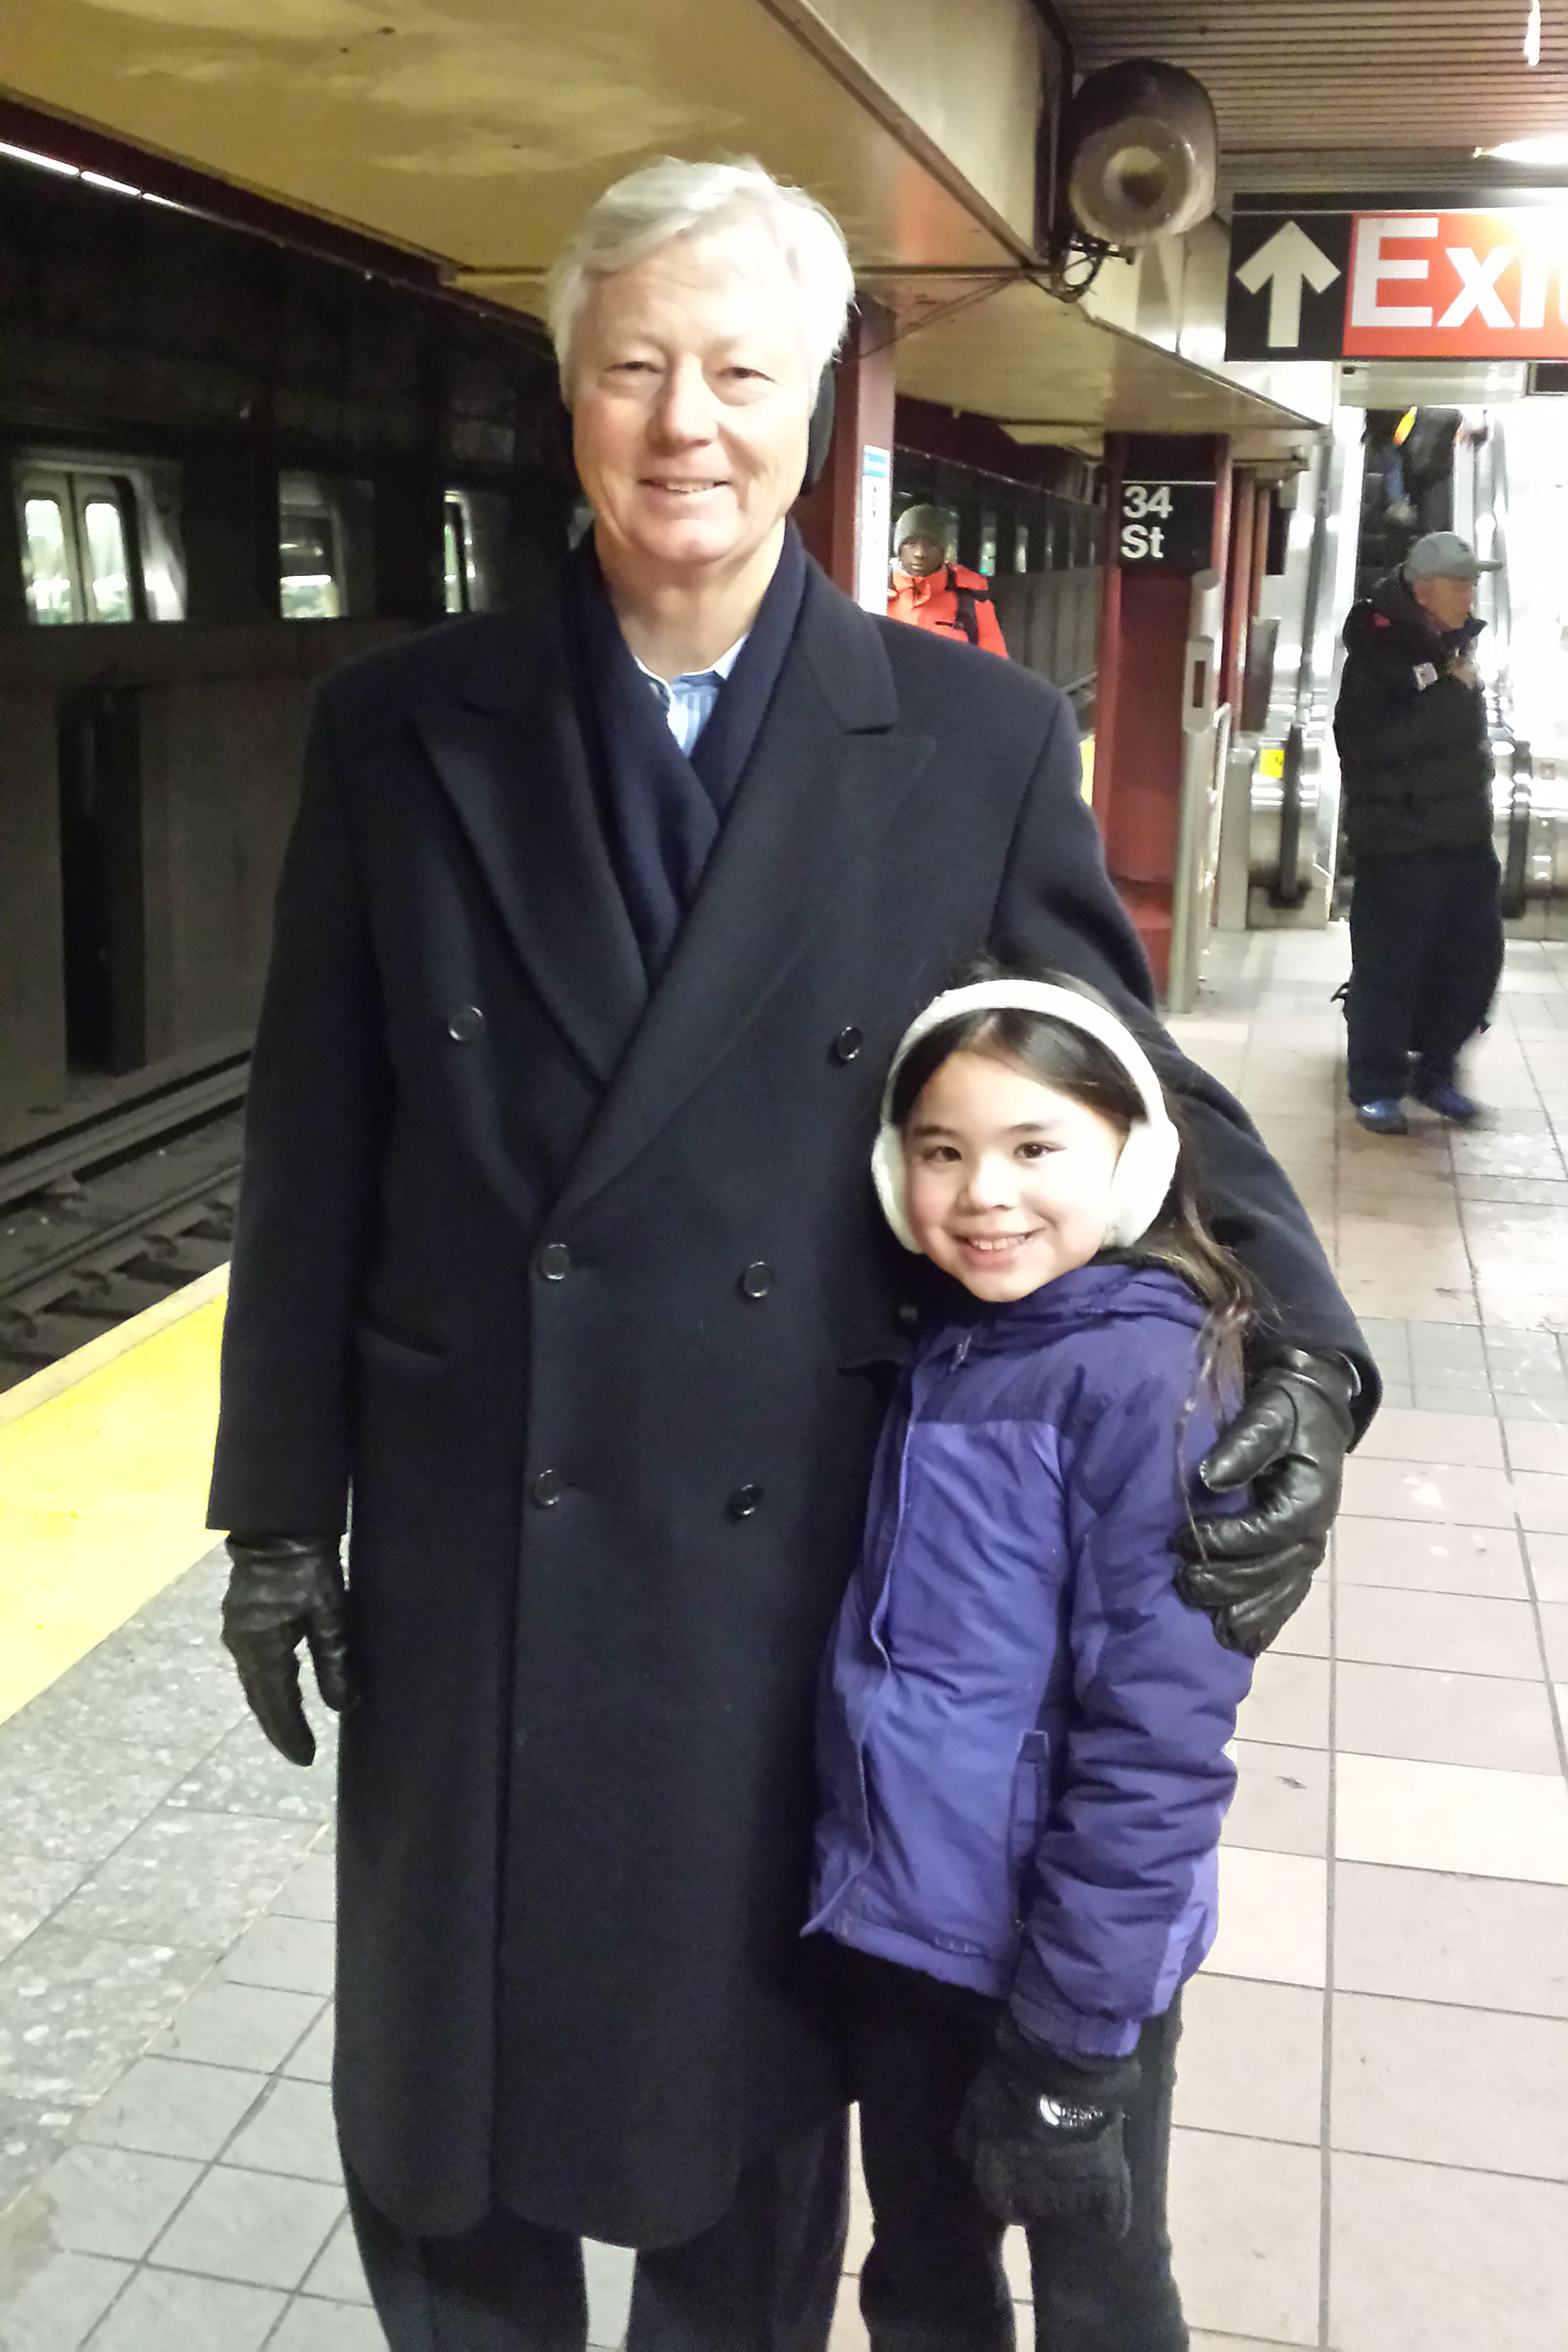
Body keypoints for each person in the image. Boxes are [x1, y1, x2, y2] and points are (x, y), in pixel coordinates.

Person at [210, 154, 1372, 2352]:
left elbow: (1127, 1074)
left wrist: (1304, 1353)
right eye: (635, 367)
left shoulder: (968, 740)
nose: (686, 424)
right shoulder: (401, 727)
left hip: (778, 1553)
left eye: (739, 373)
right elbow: (316, 1146)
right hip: (476, 1533)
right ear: (568, 389)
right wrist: (277, 1511)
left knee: (732, 2118)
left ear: (813, 401)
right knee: (440, 2097)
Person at [809, 960, 1259, 2350]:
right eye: (941, 1151)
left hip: (1070, 1969)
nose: (982, 1193)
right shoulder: (950, 1341)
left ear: (1133, 1157)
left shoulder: (1144, 1379)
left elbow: (1160, 1743)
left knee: (1102, 2295)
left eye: (1033, 1147)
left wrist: (1073, 2038)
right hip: (909, 1939)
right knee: (922, 2268)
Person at [1334, 528, 1504, 1134]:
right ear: (1424, 590)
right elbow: (1367, 743)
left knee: (1472, 961)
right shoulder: (1377, 650)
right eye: (1460, 584)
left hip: (1464, 838)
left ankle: (1438, 1070)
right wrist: (1443, 689)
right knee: (1389, 967)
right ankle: (1377, 1085)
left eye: (1473, 583)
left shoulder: (1457, 646)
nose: (1470, 594)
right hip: (1399, 841)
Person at [887, 503, 1008, 655]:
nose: (920, 553)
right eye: (911, 543)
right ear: (898, 548)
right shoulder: (872, 591)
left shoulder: (972, 602)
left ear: (943, 551)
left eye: (931, 544)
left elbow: (995, 663)